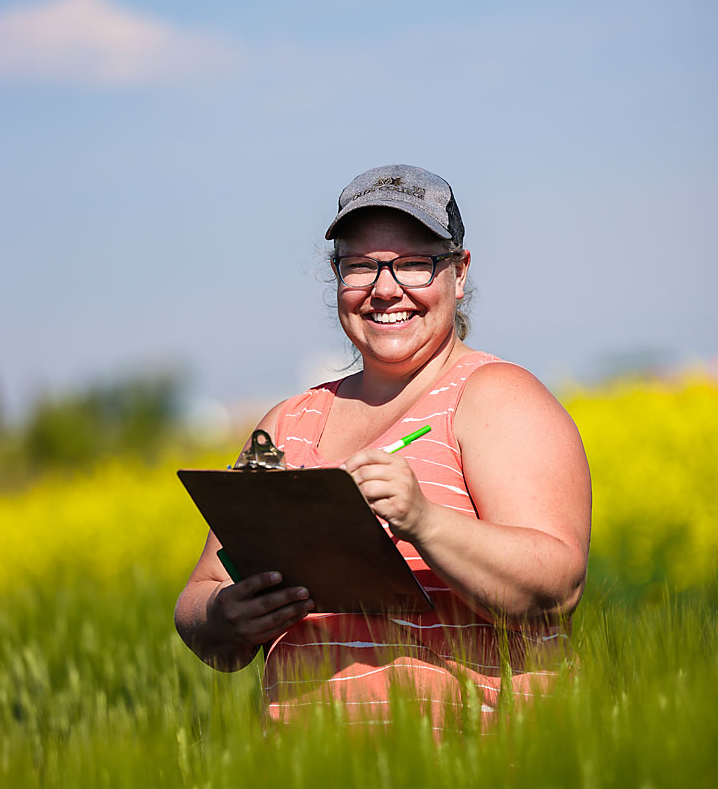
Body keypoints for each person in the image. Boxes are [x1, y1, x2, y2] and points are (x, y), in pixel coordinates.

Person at [175, 165, 592, 732]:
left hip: (476, 784)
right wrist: (227, 616)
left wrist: (424, 519)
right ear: (337, 276)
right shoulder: (287, 424)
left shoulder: (496, 398)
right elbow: (202, 609)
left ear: (459, 272)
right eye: (361, 266)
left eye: (415, 264)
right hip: (309, 788)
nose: (385, 288)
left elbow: (555, 588)